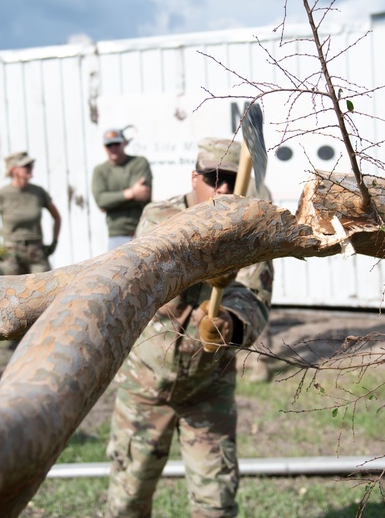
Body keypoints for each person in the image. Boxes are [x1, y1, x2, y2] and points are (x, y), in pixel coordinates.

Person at [105, 138, 273, 518]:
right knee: (128, 499)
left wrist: (228, 322)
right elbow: (153, 267)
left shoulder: (251, 228)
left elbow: (255, 293)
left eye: (232, 179)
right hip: (146, 383)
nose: (225, 189)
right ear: (194, 177)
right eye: (214, 178)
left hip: (207, 385)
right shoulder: (159, 215)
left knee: (216, 503)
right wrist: (214, 252)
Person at [0, 151, 61, 276]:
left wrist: (54, 242)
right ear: (14, 170)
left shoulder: (38, 192)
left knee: (46, 289)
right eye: (26, 166)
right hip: (11, 254)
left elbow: (57, 217)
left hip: (36, 252)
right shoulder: (1, 195)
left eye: (31, 165)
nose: (30, 168)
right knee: (10, 291)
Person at [91, 128, 153, 250]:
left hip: (144, 230)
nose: (113, 148)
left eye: (116, 144)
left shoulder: (139, 162)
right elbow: (101, 201)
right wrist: (131, 193)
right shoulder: (100, 171)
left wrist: (112, 203)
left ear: (124, 143)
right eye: (109, 145)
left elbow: (143, 194)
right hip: (117, 235)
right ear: (104, 147)